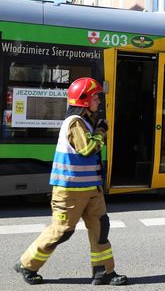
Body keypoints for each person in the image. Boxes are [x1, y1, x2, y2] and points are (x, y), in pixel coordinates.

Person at [13, 77, 128, 286]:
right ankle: (27, 264)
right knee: (62, 231)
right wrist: (102, 131)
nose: (99, 101)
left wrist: (98, 129)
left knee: (100, 229)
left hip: (92, 189)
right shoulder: (74, 123)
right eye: (95, 97)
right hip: (70, 190)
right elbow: (87, 149)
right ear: (84, 100)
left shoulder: (85, 122)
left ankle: (104, 272)